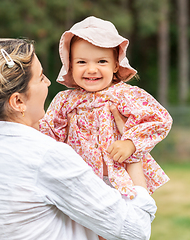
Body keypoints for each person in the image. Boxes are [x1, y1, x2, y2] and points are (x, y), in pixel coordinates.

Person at [0, 37, 157, 240]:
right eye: (41, 77)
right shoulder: (45, 156)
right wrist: (133, 150)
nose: (48, 84)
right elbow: (135, 229)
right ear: (18, 102)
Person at [39, 16, 173, 200]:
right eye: (81, 62)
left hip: (119, 177)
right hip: (78, 180)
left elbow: (160, 119)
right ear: (70, 64)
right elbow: (47, 134)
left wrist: (131, 143)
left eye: (101, 61)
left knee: (127, 221)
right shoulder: (64, 100)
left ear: (116, 64)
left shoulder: (125, 95)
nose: (91, 69)